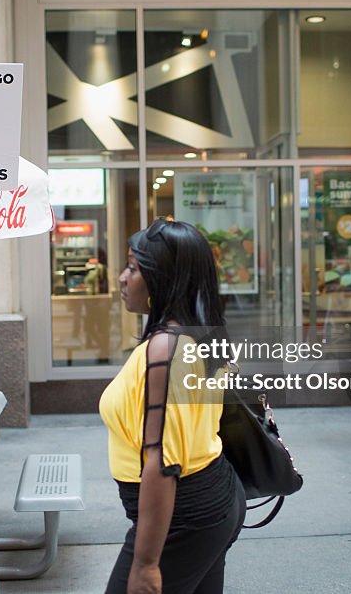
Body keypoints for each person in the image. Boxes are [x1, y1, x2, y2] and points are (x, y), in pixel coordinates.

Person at [100, 218, 242, 594]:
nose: (121, 278)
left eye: (133, 266)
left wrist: (145, 565)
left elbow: (163, 463)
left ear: (163, 277)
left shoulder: (167, 349)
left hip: (184, 519)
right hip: (206, 506)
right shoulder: (198, 334)